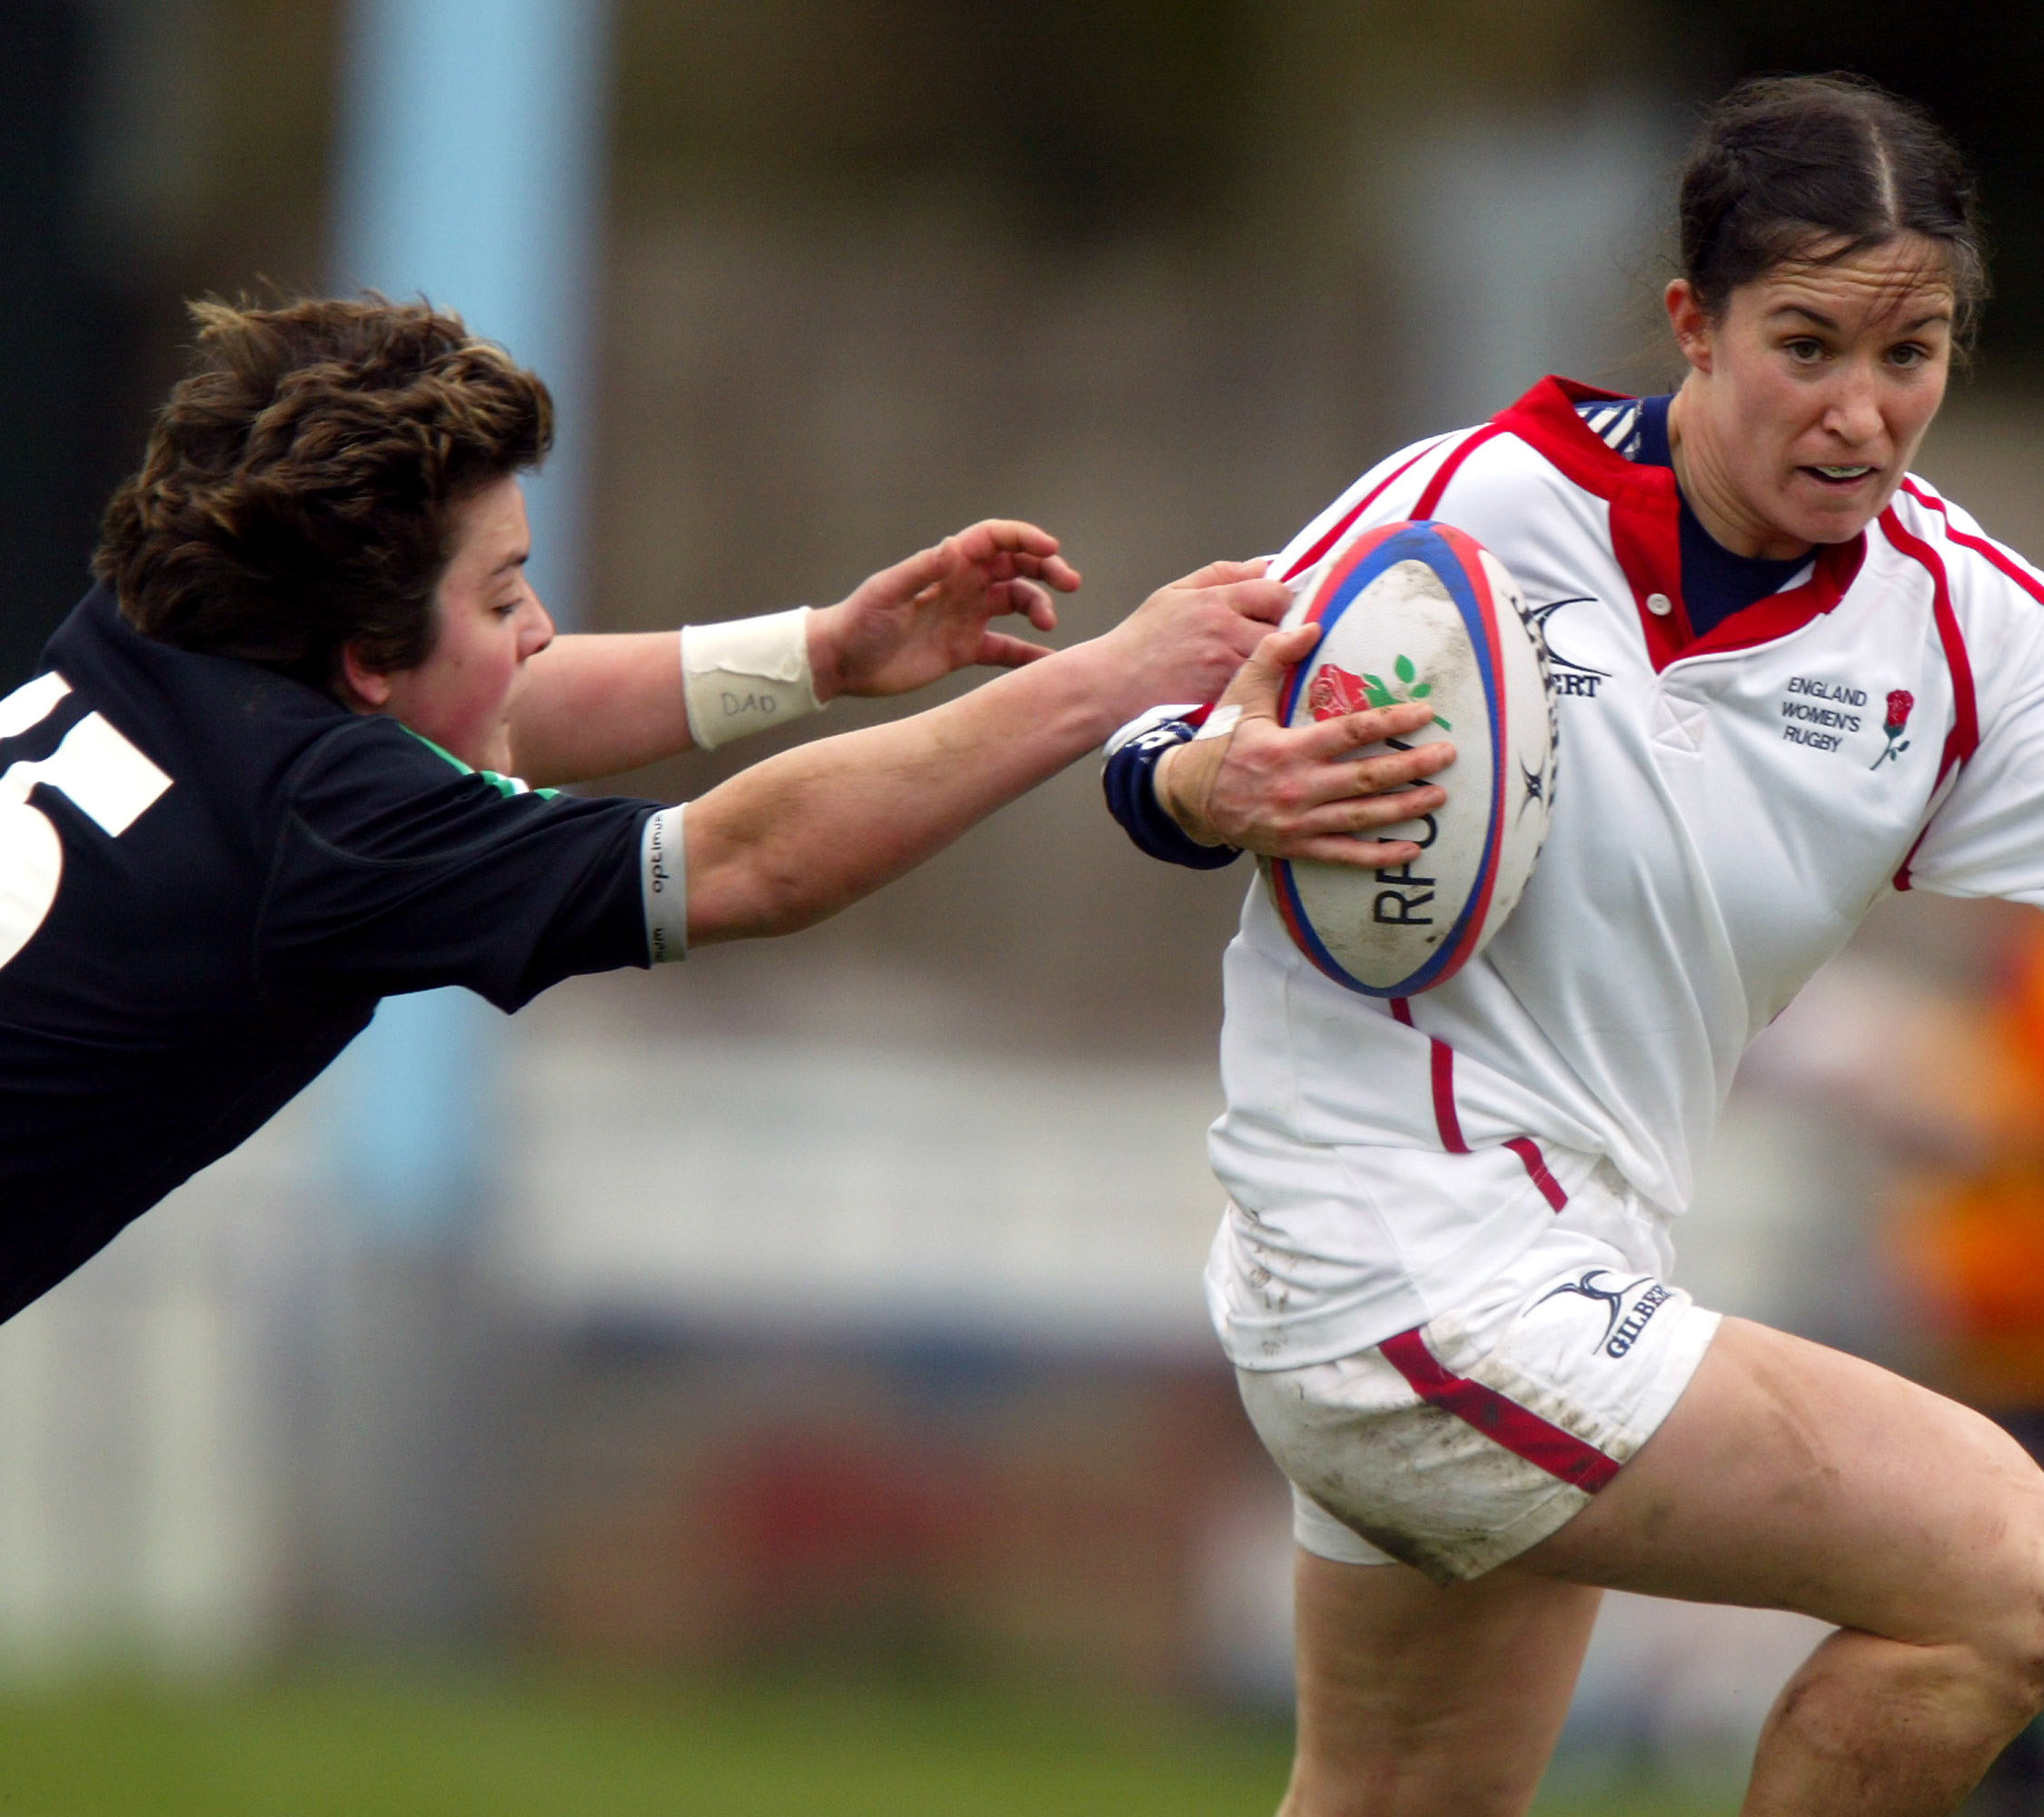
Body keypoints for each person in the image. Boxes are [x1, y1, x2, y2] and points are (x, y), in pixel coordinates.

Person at [1100, 75, 2044, 1815]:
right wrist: (1211, 787)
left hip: (1558, 1278)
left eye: (1912, 353)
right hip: (1398, 1265)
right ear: (1693, 326)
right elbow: (1149, 750)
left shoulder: (1963, 631)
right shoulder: (1465, 507)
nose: (1864, 414)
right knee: (2022, 1588)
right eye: (1809, 346)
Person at [0, 293, 1284, 1324]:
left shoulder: (157, 630)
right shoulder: (319, 822)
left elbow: (465, 718)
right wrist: (1105, 682)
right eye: (504, 597)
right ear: (363, 658)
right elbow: (745, 865)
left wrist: (818, 655)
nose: (540, 628)